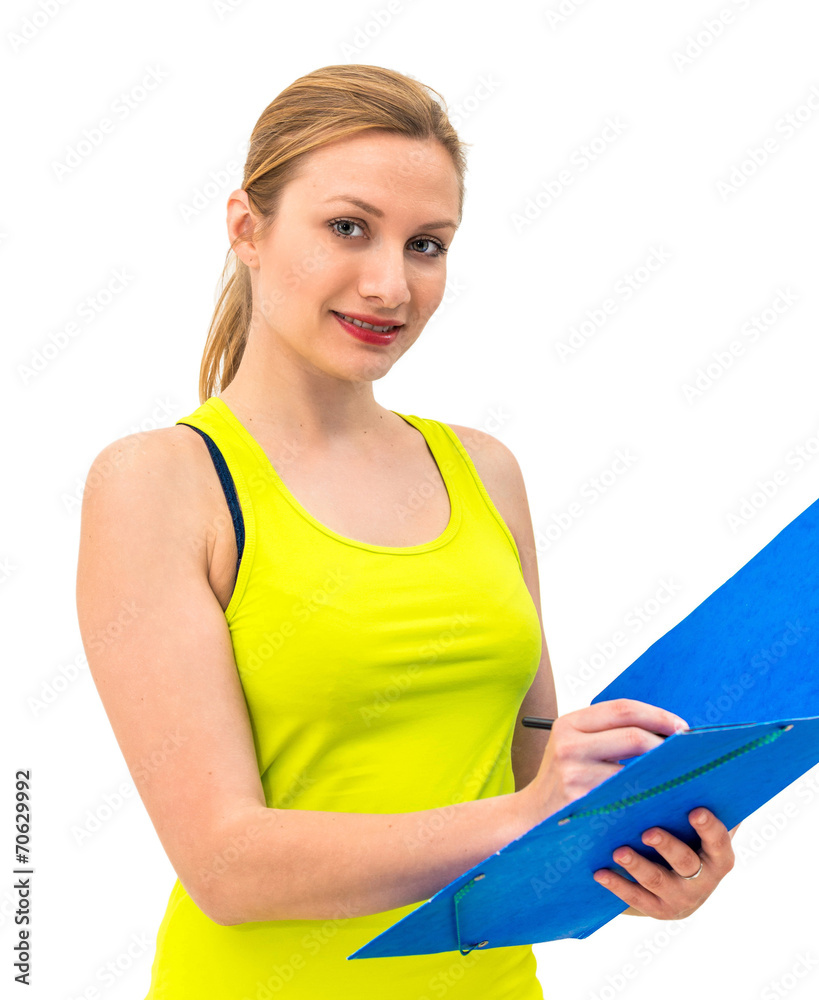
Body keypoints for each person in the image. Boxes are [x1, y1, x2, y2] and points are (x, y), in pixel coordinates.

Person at [75, 64, 738, 999]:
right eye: (348, 228)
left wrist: (641, 853)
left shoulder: (483, 471)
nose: (390, 285)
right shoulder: (161, 483)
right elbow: (226, 866)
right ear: (247, 229)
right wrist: (525, 812)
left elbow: (534, 791)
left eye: (425, 245)